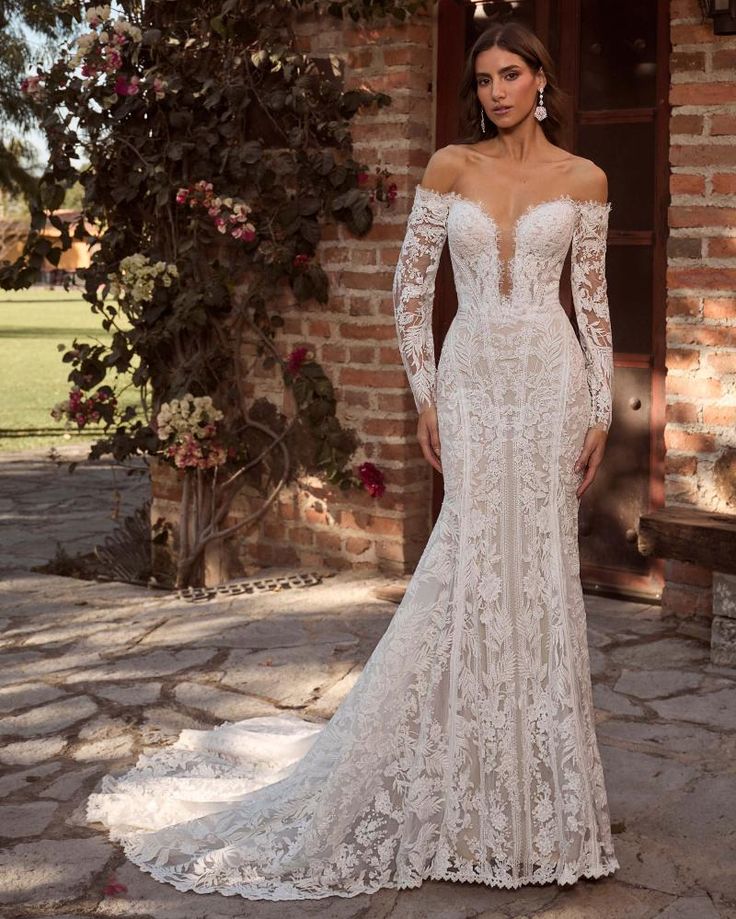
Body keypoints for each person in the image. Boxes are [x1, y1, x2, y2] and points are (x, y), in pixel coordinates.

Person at [86, 20, 619, 901]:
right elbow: (409, 294)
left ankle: (538, 803)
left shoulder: (586, 179)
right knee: (471, 565)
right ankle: (464, 783)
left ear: (541, 81)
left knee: (543, 576)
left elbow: (591, 303)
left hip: (553, 387)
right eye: (483, 78)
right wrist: (427, 396)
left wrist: (599, 406)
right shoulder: (452, 165)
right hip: (477, 381)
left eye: (511, 74)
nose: (495, 91)